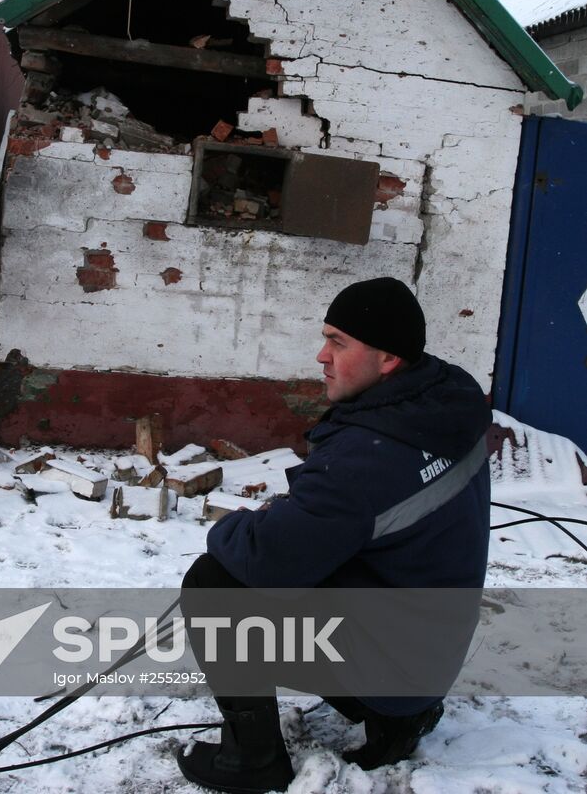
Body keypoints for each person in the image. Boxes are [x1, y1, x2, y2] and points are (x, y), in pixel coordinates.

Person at [177, 276, 492, 793]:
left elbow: (264, 558)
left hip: (402, 663)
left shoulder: (365, 459)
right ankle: (400, 717)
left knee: (214, 583)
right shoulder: (448, 399)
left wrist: (236, 523)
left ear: (388, 359)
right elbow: (371, 510)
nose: (322, 356)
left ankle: (252, 760)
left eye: (338, 342)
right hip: (433, 649)